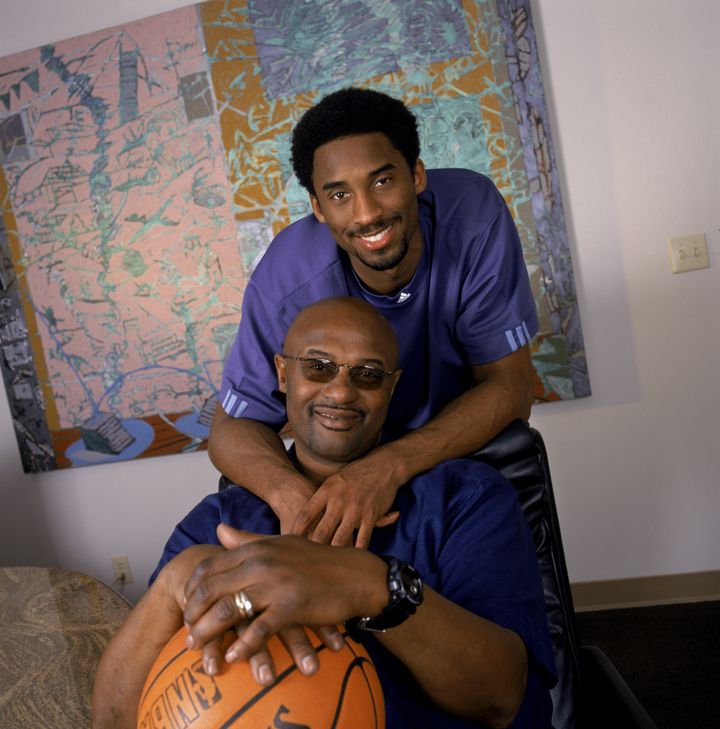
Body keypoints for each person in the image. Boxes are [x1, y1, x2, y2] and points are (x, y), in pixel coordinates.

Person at [93, 298, 555, 729]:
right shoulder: (217, 524)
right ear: (282, 374)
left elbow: (501, 696)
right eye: (318, 367)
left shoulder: (465, 498)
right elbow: (115, 719)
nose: (341, 390)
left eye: (368, 374)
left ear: (391, 388)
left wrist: (370, 585)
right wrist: (175, 583)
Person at [210, 87, 539, 549]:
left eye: (382, 182)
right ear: (318, 208)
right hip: (334, 478)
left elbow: (512, 387)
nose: (366, 214)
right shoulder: (285, 277)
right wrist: (297, 500)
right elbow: (229, 429)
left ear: (417, 175)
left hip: (451, 461)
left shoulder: (474, 213)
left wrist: (386, 467)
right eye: (339, 194)